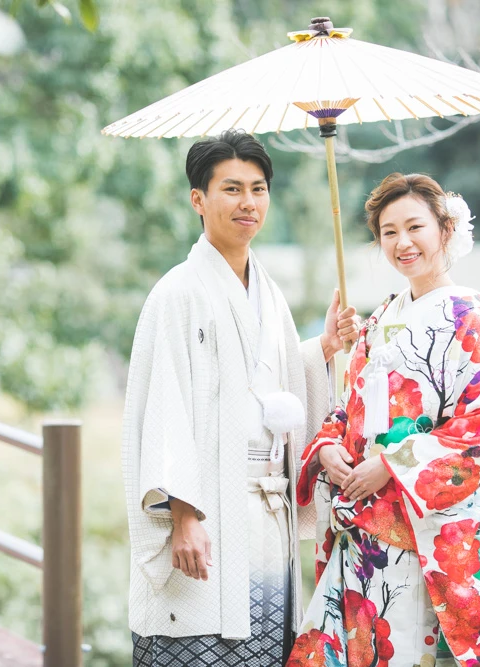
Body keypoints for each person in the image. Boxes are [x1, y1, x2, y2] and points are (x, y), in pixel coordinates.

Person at [122, 129, 361, 667]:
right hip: (206, 508)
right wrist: (183, 513)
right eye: (231, 189)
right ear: (198, 199)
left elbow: (271, 384)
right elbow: (164, 406)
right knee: (197, 639)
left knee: (265, 646)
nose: (248, 202)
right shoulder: (177, 293)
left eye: (258, 188)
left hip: (265, 511)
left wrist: (323, 348)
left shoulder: (269, 295)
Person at [287, 173, 480, 667]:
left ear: (445, 230)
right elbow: (347, 406)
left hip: (420, 534)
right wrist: (328, 448)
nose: (402, 243)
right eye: (388, 232)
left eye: (415, 227)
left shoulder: (467, 316)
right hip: (362, 532)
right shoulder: (379, 320)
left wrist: (393, 465)